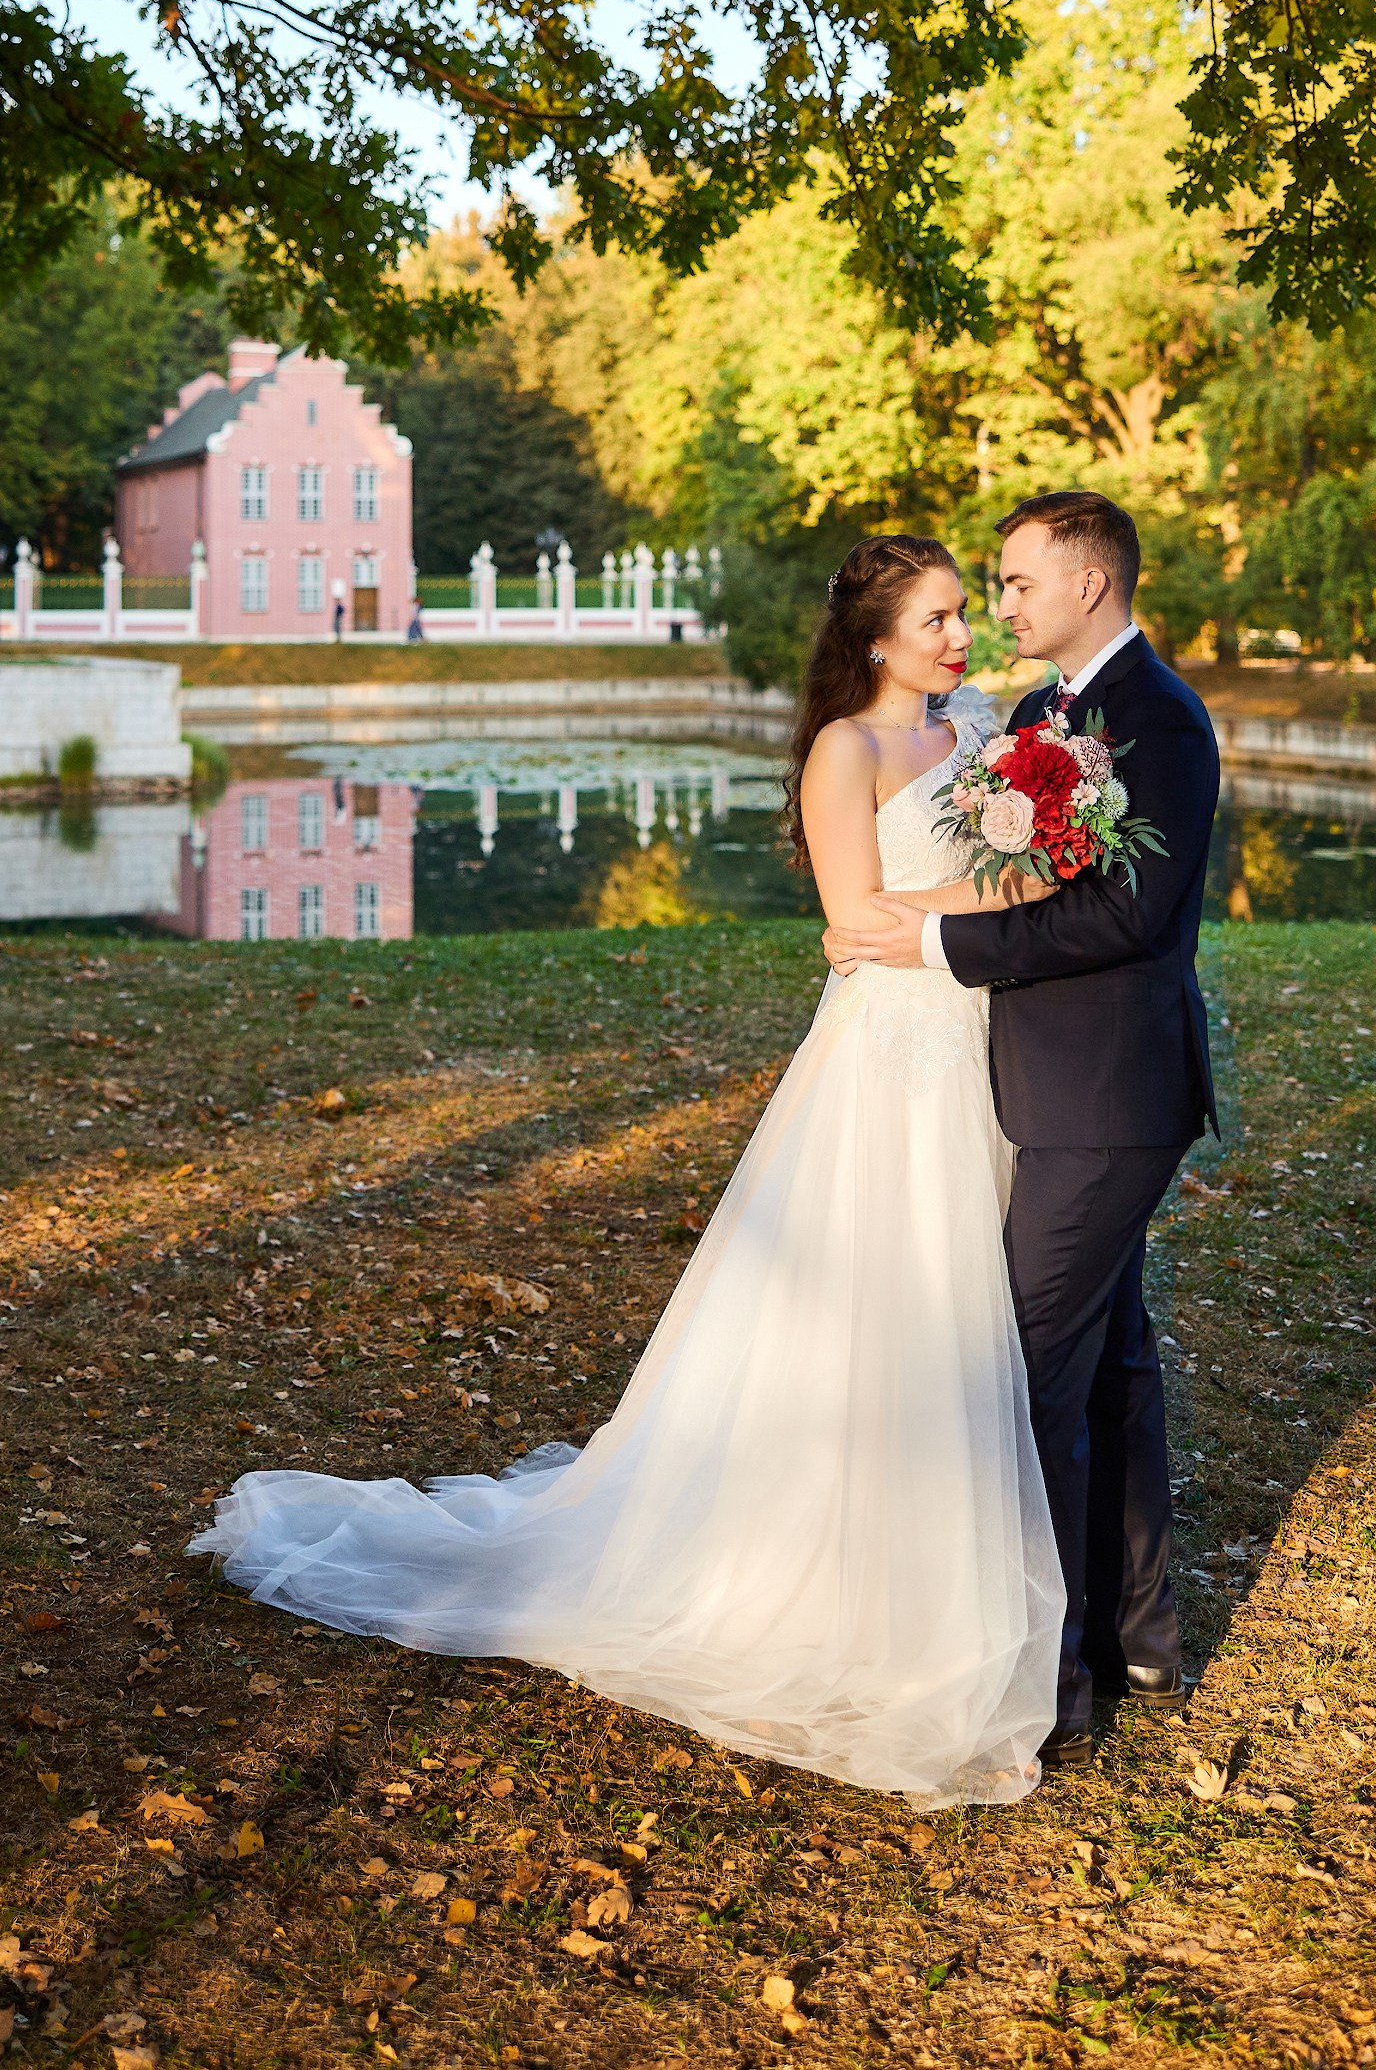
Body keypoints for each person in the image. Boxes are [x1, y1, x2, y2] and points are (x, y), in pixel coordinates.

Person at [189, 534, 1065, 1805]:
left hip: (980, 1044)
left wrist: (1020, 866)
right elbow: (852, 922)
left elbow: (1012, 866)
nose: (956, 634)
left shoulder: (980, 725)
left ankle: (948, 1552)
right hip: (893, 1059)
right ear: (875, 640)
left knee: (966, 1307)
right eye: (932, 619)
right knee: (885, 1299)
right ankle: (832, 1578)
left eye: (958, 614)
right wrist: (1000, 896)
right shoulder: (848, 751)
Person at [826, 492, 1219, 1769]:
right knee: (1109, 1360)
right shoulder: (1038, 717)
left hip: (1105, 1097)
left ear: (1088, 582)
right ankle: (1133, 1632)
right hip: (1033, 1089)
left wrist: (933, 936)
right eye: (973, 594)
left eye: (1009, 583)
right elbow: (1016, 863)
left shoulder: (1156, 720)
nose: (995, 608)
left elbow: (1121, 917)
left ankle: (1042, 1677)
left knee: (1024, 1371)